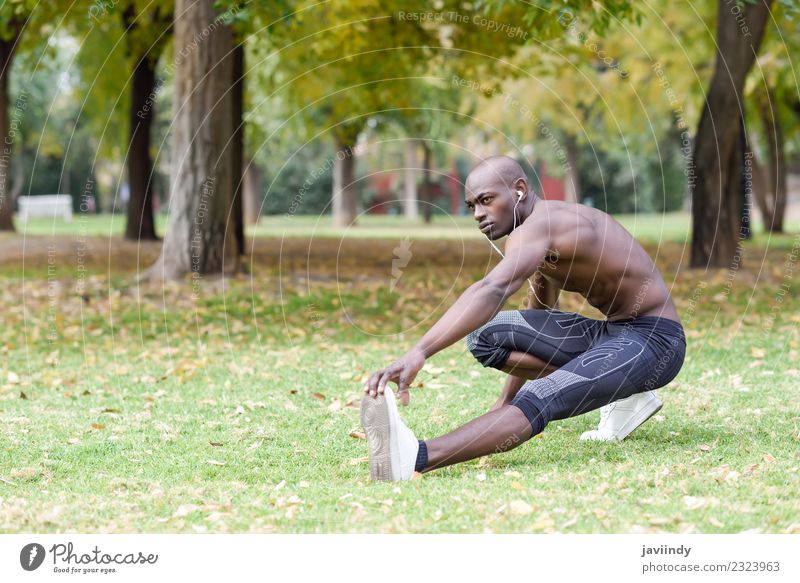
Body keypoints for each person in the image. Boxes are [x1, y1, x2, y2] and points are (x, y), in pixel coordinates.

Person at [360, 156, 686, 481]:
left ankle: (415, 457)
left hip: (656, 342)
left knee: (542, 394)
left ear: (519, 190)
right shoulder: (538, 234)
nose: (478, 214)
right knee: (489, 335)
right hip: (613, 334)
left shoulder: (543, 225)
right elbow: (538, 314)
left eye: (487, 200)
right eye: (472, 205)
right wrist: (505, 400)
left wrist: (420, 351)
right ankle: (618, 388)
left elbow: (492, 288)